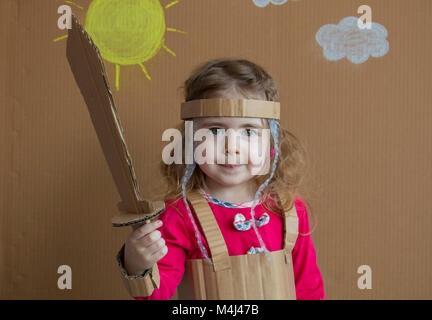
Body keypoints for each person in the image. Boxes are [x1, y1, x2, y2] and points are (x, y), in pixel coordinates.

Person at [116, 58, 325, 300]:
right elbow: (155, 295)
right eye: (215, 130)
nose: (232, 147)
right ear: (191, 140)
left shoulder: (289, 210)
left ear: (271, 142)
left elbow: (309, 288)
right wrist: (138, 263)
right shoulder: (180, 216)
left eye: (248, 131)